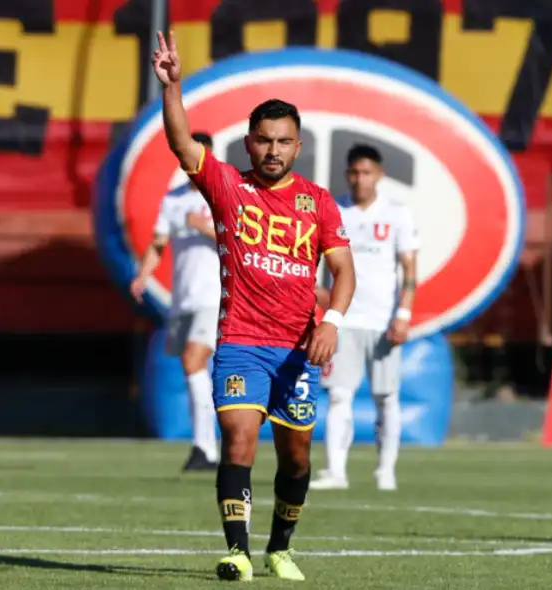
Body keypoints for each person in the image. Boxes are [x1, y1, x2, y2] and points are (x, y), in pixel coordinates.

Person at [151, 30, 356, 582]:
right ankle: (237, 551)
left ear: (298, 146)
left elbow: (343, 271)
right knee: (239, 437)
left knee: (296, 458)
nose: (272, 150)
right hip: (240, 342)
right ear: (249, 142)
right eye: (264, 140)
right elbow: (181, 144)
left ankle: (279, 547)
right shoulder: (226, 187)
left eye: (283, 141)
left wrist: (332, 321)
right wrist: (173, 88)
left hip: (297, 349)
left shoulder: (318, 202)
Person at [309, 145, 419, 492]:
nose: (360, 179)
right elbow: (312, 260)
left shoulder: (397, 213)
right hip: (342, 320)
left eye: (367, 172)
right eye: (354, 173)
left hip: (382, 321)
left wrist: (403, 314)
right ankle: (336, 471)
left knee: (386, 397)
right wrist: (317, 295)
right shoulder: (333, 210)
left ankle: (386, 470)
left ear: (379, 175)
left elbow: (410, 271)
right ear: (347, 174)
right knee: (339, 395)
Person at [130, 131, 221, 472]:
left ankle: (205, 448)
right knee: (192, 370)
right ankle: (207, 447)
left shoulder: (225, 197)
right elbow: (158, 242)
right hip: (183, 299)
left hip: (215, 296)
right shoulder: (174, 200)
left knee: (192, 361)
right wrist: (143, 274)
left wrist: (204, 227)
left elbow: (241, 241)